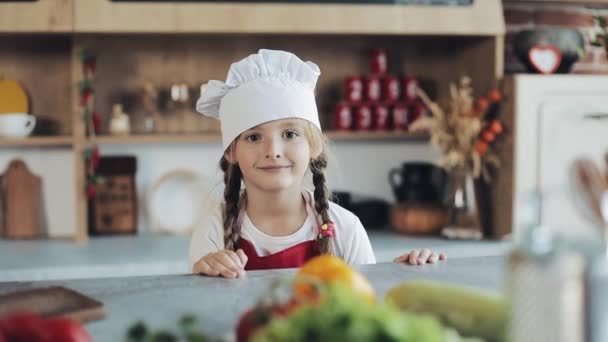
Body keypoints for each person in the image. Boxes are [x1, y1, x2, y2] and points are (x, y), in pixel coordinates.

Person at [190, 49, 446, 278]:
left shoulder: (346, 229)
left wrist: (401, 273)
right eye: (254, 137)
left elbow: (368, 303)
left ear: (314, 146)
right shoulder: (213, 231)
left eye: (290, 134)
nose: (273, 151)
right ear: (230, 152)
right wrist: (206, 272)